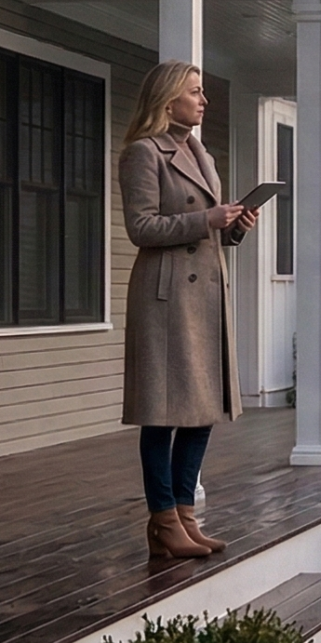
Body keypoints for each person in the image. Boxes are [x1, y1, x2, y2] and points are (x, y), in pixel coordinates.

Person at [120, 60, 257, 560]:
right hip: (165, 297)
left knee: (203, 410)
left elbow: (208, 230)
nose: (203, 101)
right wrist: (206, 218)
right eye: (195, 93)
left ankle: (185, 515)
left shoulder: (201, 152)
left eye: (202, 92)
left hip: (202, 295)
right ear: (168, 99)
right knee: (163, 413)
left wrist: (234, 225)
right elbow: (141, 228)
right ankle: (161, 520)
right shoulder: (143, 153)